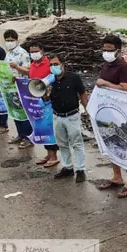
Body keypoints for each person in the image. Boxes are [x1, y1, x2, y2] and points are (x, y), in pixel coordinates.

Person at [95, 35, 127, 198]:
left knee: (125, 145)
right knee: (111, 142)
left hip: (122, 113)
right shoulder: (106, 64)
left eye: (110, 50)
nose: (106, 52)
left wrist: (106, 84)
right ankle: (117, 176)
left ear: (118, 50)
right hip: (108, 111)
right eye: (105, 49)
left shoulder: (124, 67)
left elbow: (126, 89)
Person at [11, 41, 59, 167]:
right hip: (36, 101)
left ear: (42, 51)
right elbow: (30, 75)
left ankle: (54, 156)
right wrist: (18, 78)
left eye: (36, 51)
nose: (34, 54)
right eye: (31, 52)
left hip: (47, 101)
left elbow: (55, 78)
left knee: (47, 128)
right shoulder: (33, 64)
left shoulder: (49, 64)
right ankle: (48, 153)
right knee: (40, 127)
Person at [46, 53, 87, 183]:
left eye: (56, 64)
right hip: (57, 116)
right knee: (62, 144)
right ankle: (67, 167)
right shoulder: (49, 81)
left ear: (63, 65)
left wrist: (87, 110)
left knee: (77, 143)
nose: (53, 67)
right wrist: (45, 93)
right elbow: (46, 98)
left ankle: (80, 170)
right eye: (51, 65)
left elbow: (82, 93)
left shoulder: (74, 78)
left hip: (72, 116)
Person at [5, 29, 33, 149]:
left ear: (17, 40)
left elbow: (28, 71)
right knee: (15, 111)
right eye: (7, 40)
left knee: (24, 113)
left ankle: (28, 137)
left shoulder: (23, 53)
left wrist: (17, 67)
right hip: (10, 87)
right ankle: (20, 134)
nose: (9, 42)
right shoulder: (9, 53)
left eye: (12, 40)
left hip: (21, 87)